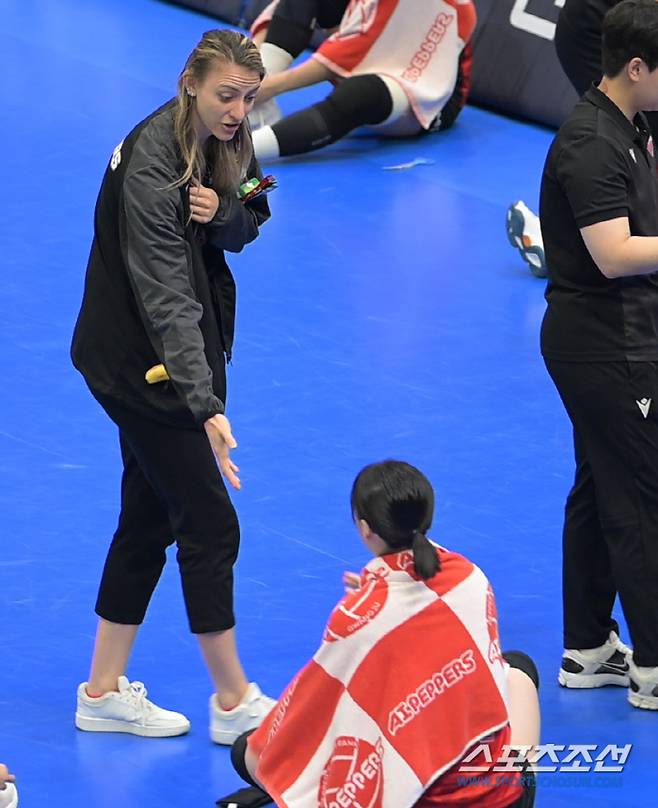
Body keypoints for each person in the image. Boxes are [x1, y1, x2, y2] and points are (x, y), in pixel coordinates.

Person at [70, 29, 275, 741]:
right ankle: (233, 702)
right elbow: (166, 302)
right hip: (141, 367)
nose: (237, 111)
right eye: (226, 95)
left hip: (172, 359)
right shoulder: (152, 167)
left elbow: (257, 206)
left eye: (249, 97)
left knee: (147, 516)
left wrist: (226, 213)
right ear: (189, 81)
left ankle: (101, 693)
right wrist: (206, 406)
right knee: (210, 524)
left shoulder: (238, 137)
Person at [224, 461, 539, 808]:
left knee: (250, 751)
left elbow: (308, 711)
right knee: (518, 668)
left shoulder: (353, 621)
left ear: (364, 528)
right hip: (503, 798)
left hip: (419, 798)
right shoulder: (470, 578)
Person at [539, 0, 658, 708]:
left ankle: (587, 648)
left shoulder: (635, 124)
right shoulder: (590, 141)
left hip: (624, 337)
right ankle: (653, 666)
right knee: (641, 497)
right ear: (636, 68)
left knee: (600, 483)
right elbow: (614, 255)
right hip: (604, 345)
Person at [507, 0, 658, 278]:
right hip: (598, 25)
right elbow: (616, 260)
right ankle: (562, 248)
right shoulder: (592, 140)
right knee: (626, 143)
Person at [246, 0, 477, 161]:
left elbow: (355, 51)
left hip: (429, 92)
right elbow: (285, 11)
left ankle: (243, 151)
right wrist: (252, 75)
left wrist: (271, 87)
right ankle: (253, 106)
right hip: (372, 54)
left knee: (359, 95)